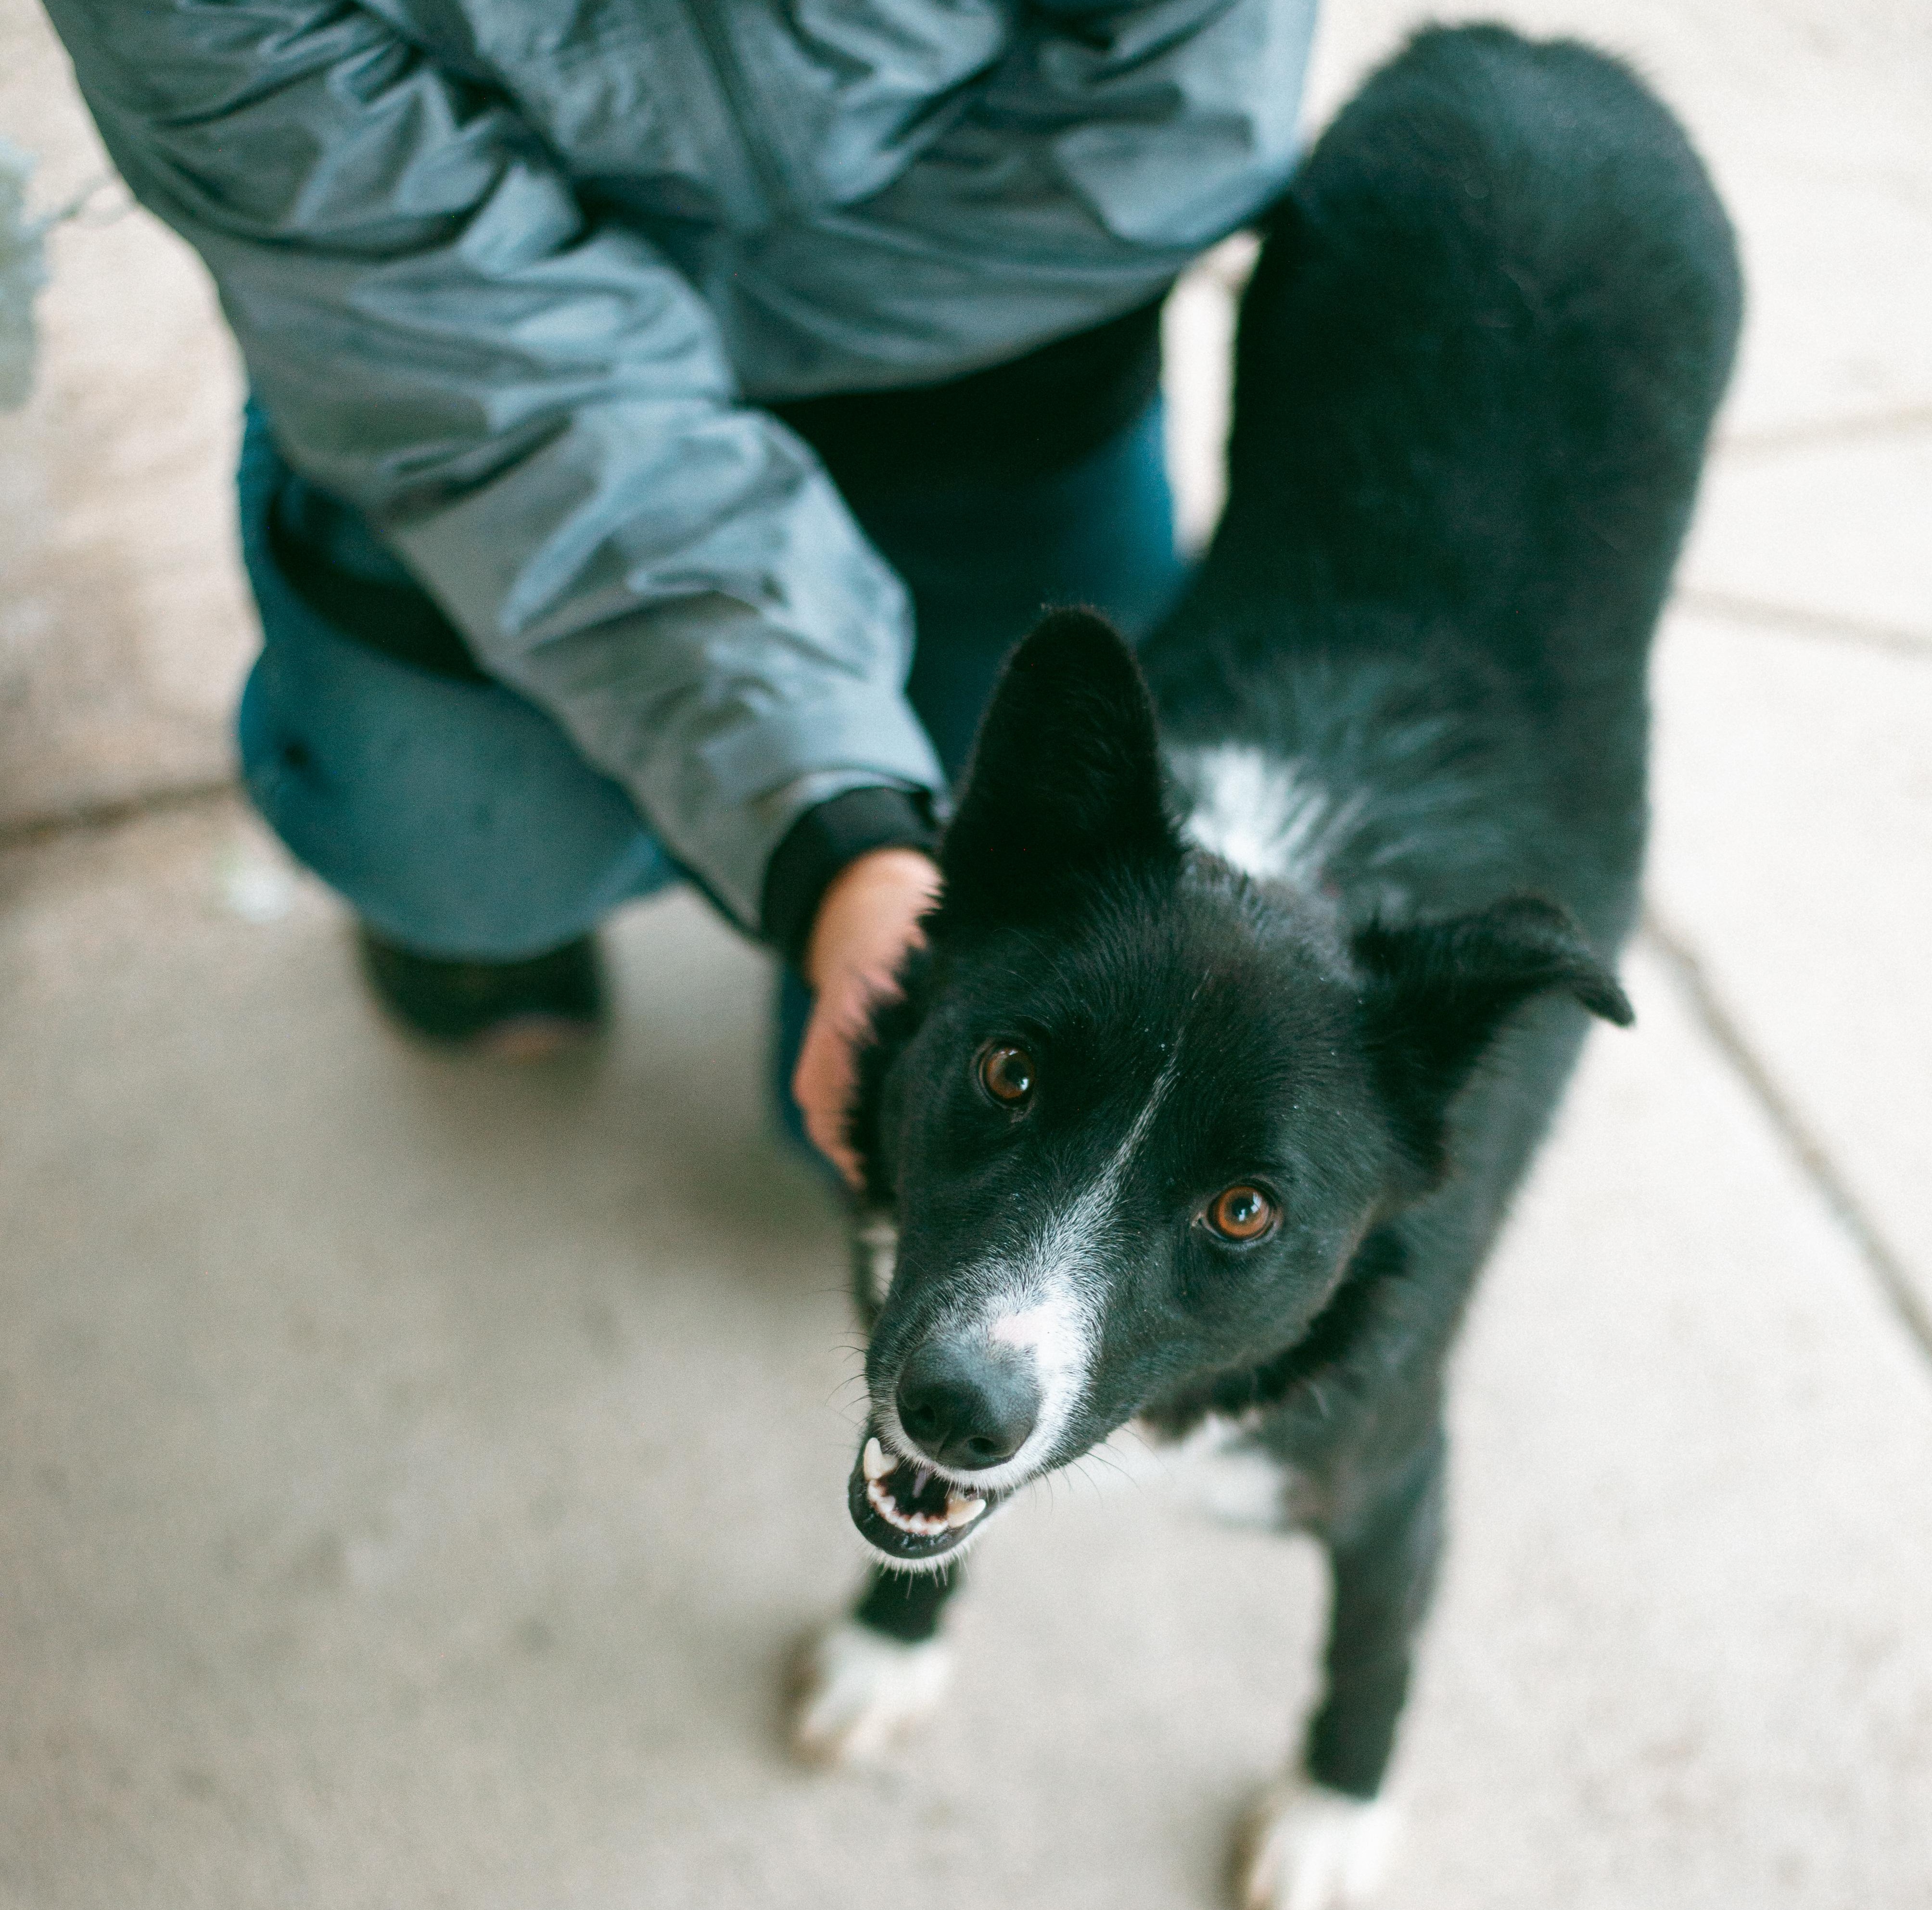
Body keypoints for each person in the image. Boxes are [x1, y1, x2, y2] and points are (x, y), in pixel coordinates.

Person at [44, 0, 1317, 1182]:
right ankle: (494, 898)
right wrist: (836, 838)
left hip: (1002, 352)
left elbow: (1174, 121)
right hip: (484, 371)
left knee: (1059, 824)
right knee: (460, 829)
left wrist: (658, 333)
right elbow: (414, 308)